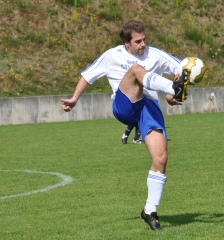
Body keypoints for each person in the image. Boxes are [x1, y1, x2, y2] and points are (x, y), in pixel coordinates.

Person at [61, 21, 191, 230]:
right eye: (138, 41)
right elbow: (87, 75)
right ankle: (171, 88)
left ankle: (150, 210)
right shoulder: (112, 55)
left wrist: (170, 95)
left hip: (148, 109)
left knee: (161, 157)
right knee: (135, 70)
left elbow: (182, 69)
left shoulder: (155, 54)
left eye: (144, 40)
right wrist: (75, 98)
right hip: (125, 105)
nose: (143, 45)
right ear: (126, 43)